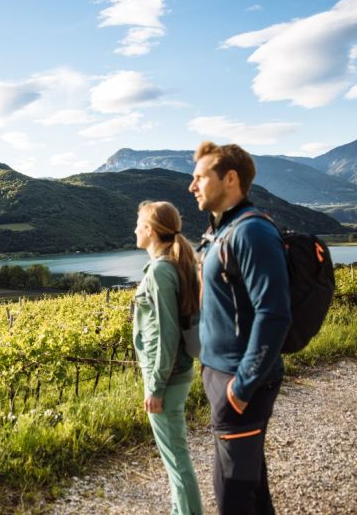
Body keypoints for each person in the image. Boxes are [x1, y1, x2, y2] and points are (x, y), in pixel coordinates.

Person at [188, 141, 291, 514]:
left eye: (200, 177)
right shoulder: (221, 231)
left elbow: (274, 313)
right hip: (220, 375)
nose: (192, 186)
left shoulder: (251, 232)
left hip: (240, 382)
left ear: (230, 178)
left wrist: (242, 387)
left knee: (232, 494)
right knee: (252, 489)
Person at [132, 200, 203, 515]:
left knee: (176, 458)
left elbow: (166, 333)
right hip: (176, 373)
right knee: (176, 455)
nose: (134, 229)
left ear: (149, 230)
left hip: (167, 377)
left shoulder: (161, 270)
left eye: (138, 224)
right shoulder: (173, 264)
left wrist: (155, 386)